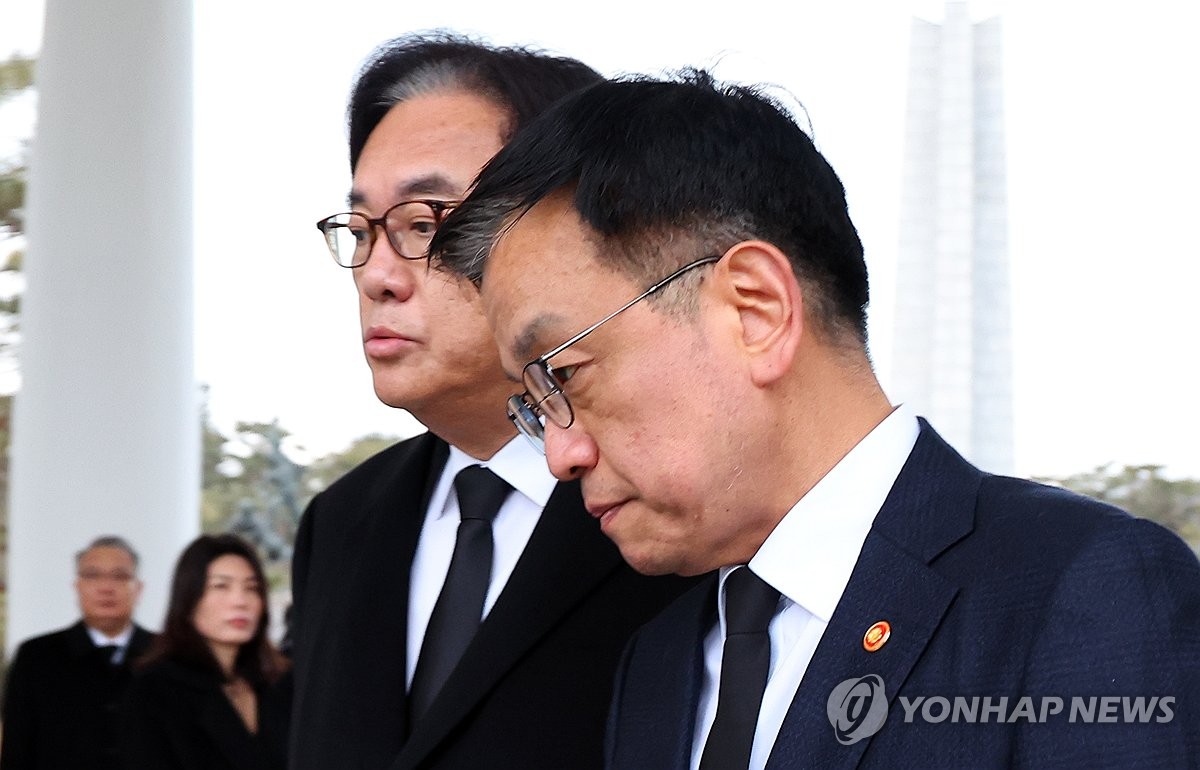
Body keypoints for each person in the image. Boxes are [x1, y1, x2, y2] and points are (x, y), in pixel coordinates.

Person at [430, 71, 1200, 769]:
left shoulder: (1085, 593)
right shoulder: (658, 662)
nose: (559, 453)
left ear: (755, 310)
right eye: (533, 404)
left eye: (563, 375)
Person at [289, 33, 699, 770]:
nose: (377, 275)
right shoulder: (340, 523)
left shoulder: (684, 516)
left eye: (424, 225)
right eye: (361, 230)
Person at [118, 534, 289, 770]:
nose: (240, 601)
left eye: (252, 588)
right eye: (221, 586)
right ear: (189, 598)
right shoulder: (154, 691)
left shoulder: (280, 685)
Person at [0, 535, 154, 770]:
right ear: (77, 587)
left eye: (120, 576)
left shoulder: (167, 655)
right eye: (92, 575)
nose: (106, 587)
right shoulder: (36, 657)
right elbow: (17, 750)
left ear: (139, 589)